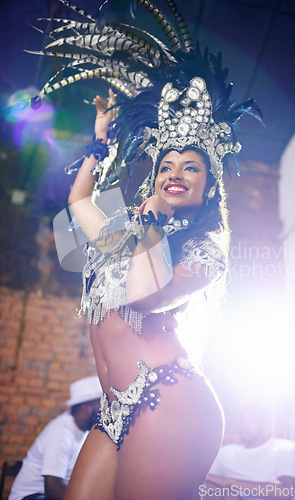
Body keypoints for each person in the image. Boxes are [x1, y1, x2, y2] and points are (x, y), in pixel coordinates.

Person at [26, 2, 261, 499]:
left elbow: (142, 297)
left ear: (209, 186)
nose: (175, 172)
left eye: (191, 167)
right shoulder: (126, 227)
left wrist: (152, 222)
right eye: (166, 164)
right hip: (114, 410)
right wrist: (101, 145)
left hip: (168, 398)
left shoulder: (205, 250)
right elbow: (76, 206)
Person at [9, 376, 102, 500]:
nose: (102, 413)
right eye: (100, 408)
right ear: (85, 409)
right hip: (31, 497)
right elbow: (53, 489)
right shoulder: (61, 433)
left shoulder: (83, 432)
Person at [203, 403, 295, 499]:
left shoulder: (284, 447)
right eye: (241, 420)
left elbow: (285, 493)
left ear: (265, 423)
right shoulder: (224, 453)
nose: (245, 425)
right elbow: (207, 482)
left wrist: (228, 482)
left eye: (252, 421)